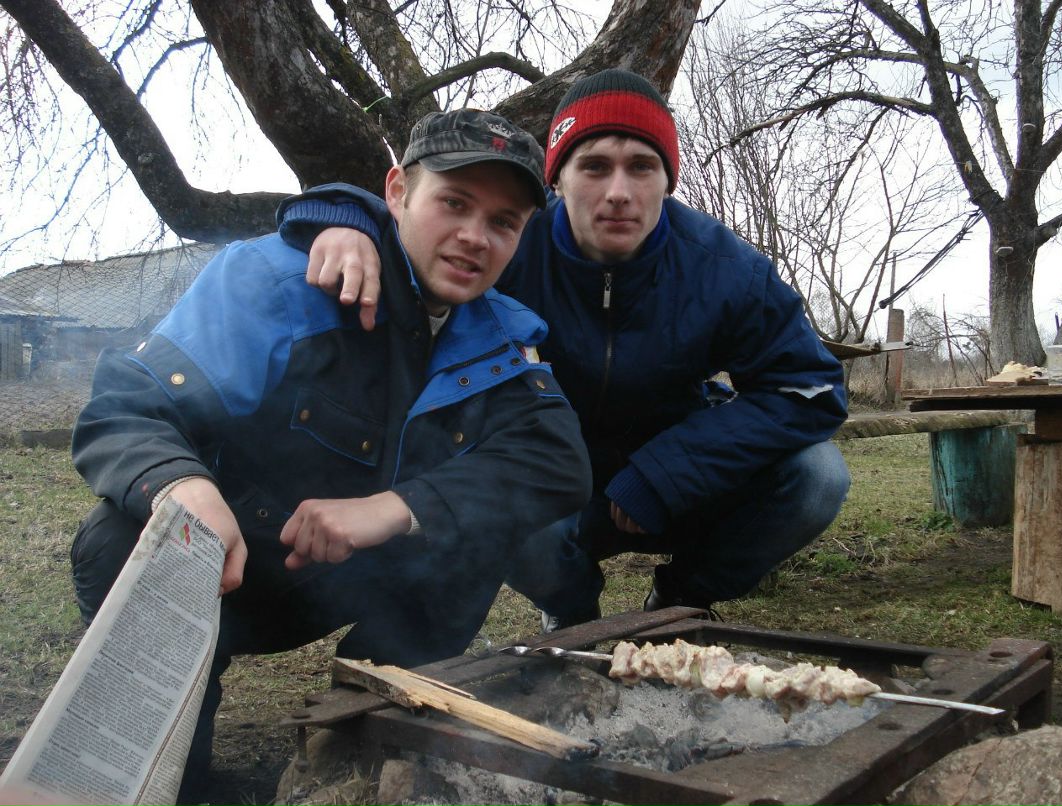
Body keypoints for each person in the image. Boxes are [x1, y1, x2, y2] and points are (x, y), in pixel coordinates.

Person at [68, 109, 591, 798]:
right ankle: (172, 779)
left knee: (478, 531)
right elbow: (126, 406)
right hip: (232, 573)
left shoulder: (501, 338)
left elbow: (559, 464)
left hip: (358, 579)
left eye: (503, 222)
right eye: (454, 203)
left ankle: (352, 754)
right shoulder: (277, 280)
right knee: (121, 537)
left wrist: (398, 507)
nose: (473, 237)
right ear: (398, 191)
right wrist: (180, 486)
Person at [276, 69, 851, 631]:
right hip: (547, 481)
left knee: (819, 475)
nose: (619, 193)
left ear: (668, 181)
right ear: (557, 179)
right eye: (595, 166)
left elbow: (810, 389)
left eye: (642, 167)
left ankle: (681, 600)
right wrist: (341, 217)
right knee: (502, 499)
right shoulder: (506, 244)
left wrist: (672, 469)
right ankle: (573, 615)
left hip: (682, 483)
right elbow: (418, 226)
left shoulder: (727, 270)